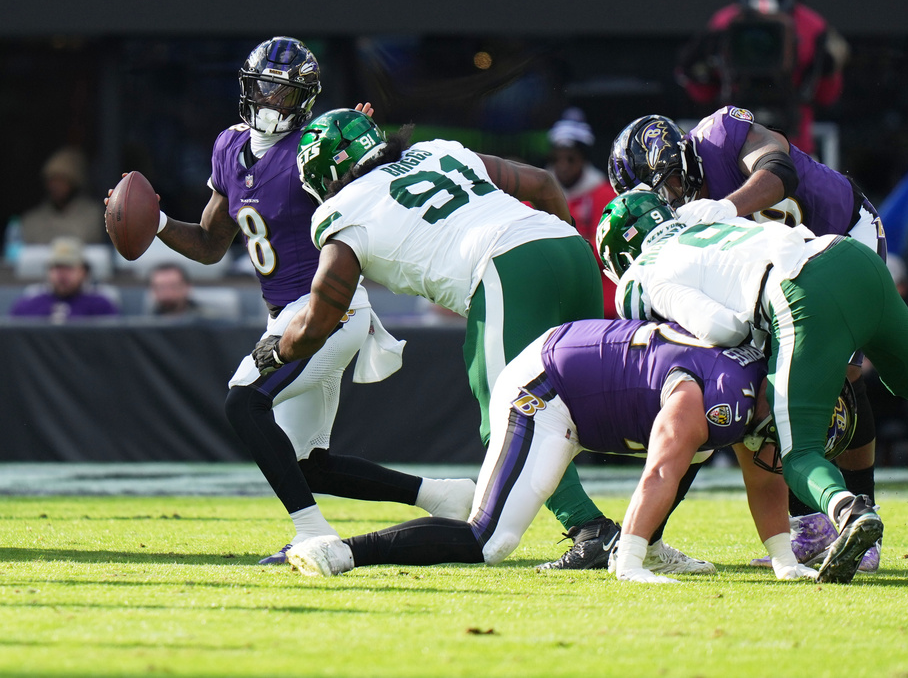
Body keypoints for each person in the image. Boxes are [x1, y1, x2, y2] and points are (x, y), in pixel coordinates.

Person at [254, 107, 711, 575]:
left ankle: (590, 529)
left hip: (503, 269)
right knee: (601, 403)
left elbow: (320, 316)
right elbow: (543, 185)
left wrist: (277, 351)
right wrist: (562, 251)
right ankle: (645, 538)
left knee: (510, 413)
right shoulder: (435, 151)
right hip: (570, 250)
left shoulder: (341, 211)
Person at [107, 37, 477, 566]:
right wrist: (158, 222)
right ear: (247, 88)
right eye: (264, 88)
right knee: (305, 464)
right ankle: (442, 496)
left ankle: (311, 533)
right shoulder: (229, 148)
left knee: (244, 400)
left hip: (331, 307)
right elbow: (213, 245)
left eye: (284, 93)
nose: (271, 101)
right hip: (286, 313)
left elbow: (368, 199)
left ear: (303, 100)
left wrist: (360, 148)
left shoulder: (312, 151)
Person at [600, 189, 908, 583]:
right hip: (849, 255)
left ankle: (851, 511)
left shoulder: (642, 275)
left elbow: (721, 326)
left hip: (802, 294)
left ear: (619, 253)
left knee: (798, 453)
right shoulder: (700, 213)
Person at [283, 318, 827, 584]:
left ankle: (647, 544)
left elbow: (764, 479)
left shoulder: (753, 395)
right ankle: (344, 551)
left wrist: (784, 562)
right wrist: (628, 561)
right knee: (489, 540)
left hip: (593, 397)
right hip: (548, 391)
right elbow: (661, 467)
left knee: (698, 452)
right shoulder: (722, 398)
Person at [607, 108, 884, 572]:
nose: (674, 201)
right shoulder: (681, 219)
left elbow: (779, 170)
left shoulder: (721, 134)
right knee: (715, 381)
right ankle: (808, 525)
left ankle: (861, 514)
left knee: (837, 372)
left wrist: (726, 206)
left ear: (676, 159)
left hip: (840, 233)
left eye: (672, 185)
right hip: (781, 273)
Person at [675, 0, 848, 156]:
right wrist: (697, 67)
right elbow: (703, 93)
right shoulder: (725, 22)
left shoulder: (811, 26)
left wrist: (829, 67)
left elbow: (827, 95)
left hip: (794, 145)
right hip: (733, 146)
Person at [545, 108, 618, 318]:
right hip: (552, 299)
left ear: (583, 159)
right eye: (557, 159)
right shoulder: (534, 194)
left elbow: (605, 248)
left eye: (570, 159)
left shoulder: (605, 194)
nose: (563, 166)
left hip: (601, 304)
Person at [9, 236, 119, 322]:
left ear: (84, 272)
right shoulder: (28, 305)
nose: (62, 275)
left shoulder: (100, 305)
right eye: (56, 267)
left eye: (68, 267)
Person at [20, 147, 106, 245]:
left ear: (74, 183)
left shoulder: (92, 214)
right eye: (52, 180)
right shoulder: (31, 219)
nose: (55, 186)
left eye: (61, 180)